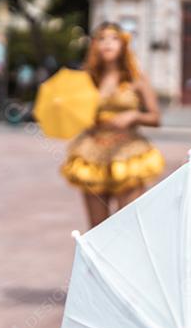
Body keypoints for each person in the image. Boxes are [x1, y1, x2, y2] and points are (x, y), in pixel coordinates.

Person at [60, 23, 163, 228]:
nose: (107, 43)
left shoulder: (136, 79)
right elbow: (76, 115)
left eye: (114, 38)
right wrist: (82, 118)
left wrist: (133, 116)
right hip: (92, 153)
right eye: (102, 38)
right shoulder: (88, 80)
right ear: (95, 45)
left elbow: (155, 118)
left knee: (128, 226)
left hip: (127, 152)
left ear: (123, 44)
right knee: (97, 230)